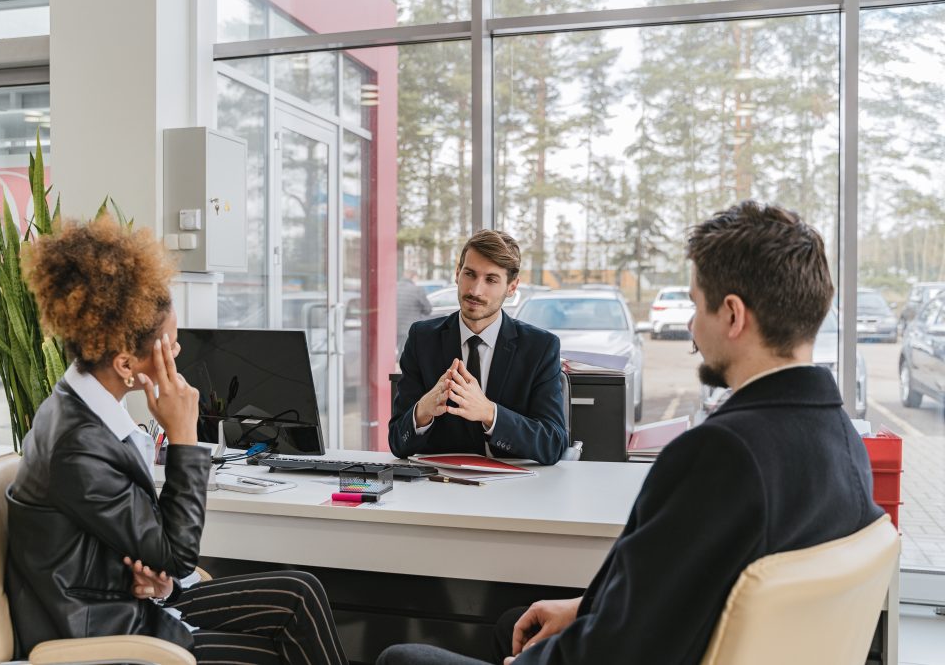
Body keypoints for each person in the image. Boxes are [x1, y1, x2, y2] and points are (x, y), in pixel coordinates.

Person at [377, 200, 884, 665]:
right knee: (516, 622)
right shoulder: (842, 441)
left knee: (400, 658)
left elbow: (617, 646)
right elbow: (683, 592)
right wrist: (586, 607)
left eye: (695, 304)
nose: (689, 327)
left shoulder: (717, 454)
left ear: (730, 314)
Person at [6, 218, 348, 665]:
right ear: (126, 362)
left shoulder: (81, 404)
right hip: (102, 629)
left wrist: (162, 576)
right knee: (277, 651)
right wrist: (186, 435)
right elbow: (177, 554)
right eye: (169, 344)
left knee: (300, 591)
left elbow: (151, 547)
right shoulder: (79, 443)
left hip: (128, 599)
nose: (179, 350)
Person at [388, 230, 567, 466]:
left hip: (516, 492)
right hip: (437, 491)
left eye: (491, 279)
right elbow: (397, 443)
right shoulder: (422, 339)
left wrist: (489, 414)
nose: (475, 290)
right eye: (469, 274)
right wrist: (422, 410)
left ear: (512, 287)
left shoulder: (540, 348)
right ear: (457, 274)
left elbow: (552, 443)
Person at [397, 269, 433, 353]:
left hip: (393, 328)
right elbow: (428, 309)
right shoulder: (417, 290)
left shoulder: (394, 287)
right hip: (408, 328)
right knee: (405, 356)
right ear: (414, 277)